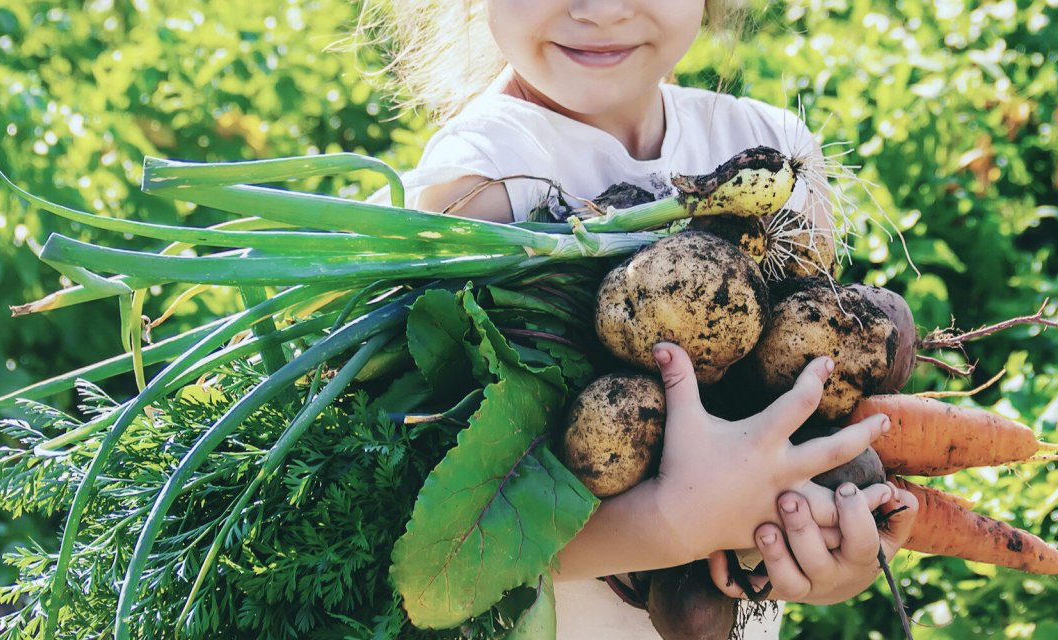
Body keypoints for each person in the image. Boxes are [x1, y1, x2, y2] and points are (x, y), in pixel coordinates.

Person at [363, 1, 919, 637]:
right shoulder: (474, 193)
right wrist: (668, 526)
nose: (599, 10)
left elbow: (814, 405)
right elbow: (439, 556)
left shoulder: (775, 157)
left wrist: (827, 547)